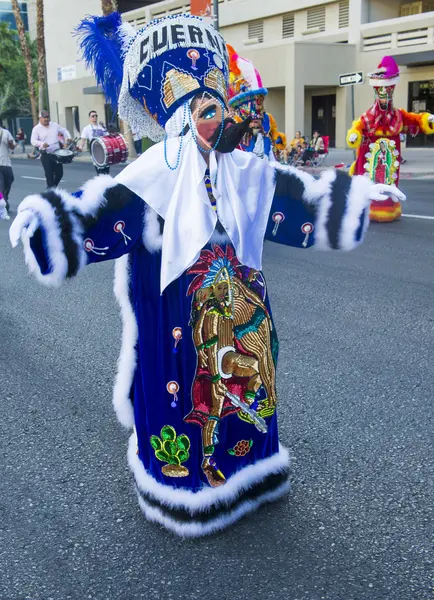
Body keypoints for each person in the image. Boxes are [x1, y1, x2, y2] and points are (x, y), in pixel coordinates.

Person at [10, 12, 404, 537]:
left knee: (253, 379)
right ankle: (186, 491)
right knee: (188, 394)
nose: (222, 120)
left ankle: (251, 471)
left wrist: (357, 192)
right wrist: (44, 223)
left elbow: (292, 191)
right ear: (181, 119)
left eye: (220, 107)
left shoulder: (242, 169)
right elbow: (96, 211)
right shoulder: (152, 178)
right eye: (208, 111)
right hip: (179, 317)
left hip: (242, 309)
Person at [347, 55, 434, 222]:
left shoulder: (398, 115)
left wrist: (426, 119)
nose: (384, 100)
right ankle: (367, 209)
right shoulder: (368, 116)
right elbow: (358, 126)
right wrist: (354, 135)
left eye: (387, 96)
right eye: (382, 96)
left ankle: (388, 209)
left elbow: (414, 119)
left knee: (388, 179)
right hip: (371, 153)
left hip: (390, 153)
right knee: (370, 179)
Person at [227, 45, 286, 160]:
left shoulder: (267, 119)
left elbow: (276, 137)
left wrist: (277, 139)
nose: (255, 108)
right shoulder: (233, 122)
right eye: (249, 103)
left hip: (265, 159)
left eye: (258, 102)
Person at [30, 110, 71, 188]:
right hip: (46, 154)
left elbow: (64, 131)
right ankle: (51, 190)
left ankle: (51, 188)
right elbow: (33, 141)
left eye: (47, 117)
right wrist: (42, 144)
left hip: (57, 154)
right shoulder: (36, 129)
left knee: (59, 174)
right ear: (40, 118)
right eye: (44, 118)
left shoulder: (54, 125)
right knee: (49, 175)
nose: (46, 119)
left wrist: (68, 137)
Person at [78, 110, 109, 175]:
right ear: (89, 118)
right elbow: (83, 139)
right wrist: (81, 147)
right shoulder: (87, 128)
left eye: (96, 116)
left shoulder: (102, 127)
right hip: (95, 151)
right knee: (99, 170)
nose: (95, 117)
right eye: (93, 116)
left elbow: (108, 137)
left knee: (106, 170)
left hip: (104, 151)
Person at [0, 124, 16, 216]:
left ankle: (4, 197)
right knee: (1, 186)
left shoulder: (5, 133)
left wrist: (10, 144)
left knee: (10, 180)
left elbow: (12, 147)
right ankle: (3, 204)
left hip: (6, 163)